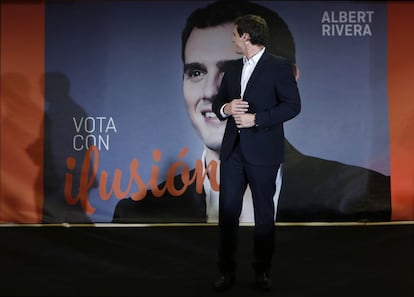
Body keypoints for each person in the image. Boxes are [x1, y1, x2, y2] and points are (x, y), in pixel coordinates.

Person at [112, 0, 391, 224]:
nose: (210, 91)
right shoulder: (136, 213)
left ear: (288, 79)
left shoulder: (360, 193)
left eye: (233, 70)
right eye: (196, 72)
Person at [210, 14, 301, 291]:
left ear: (246, 37)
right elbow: (218, 102)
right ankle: (226, 272)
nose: (233, 39)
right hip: (233, 153)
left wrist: (256, 119)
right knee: (227, 213)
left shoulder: (279, 67)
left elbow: (292, 106)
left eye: (236, 35)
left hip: (263, 152)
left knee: (263, 214)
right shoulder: (233, 69)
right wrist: (226, 109)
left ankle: (262, 271)